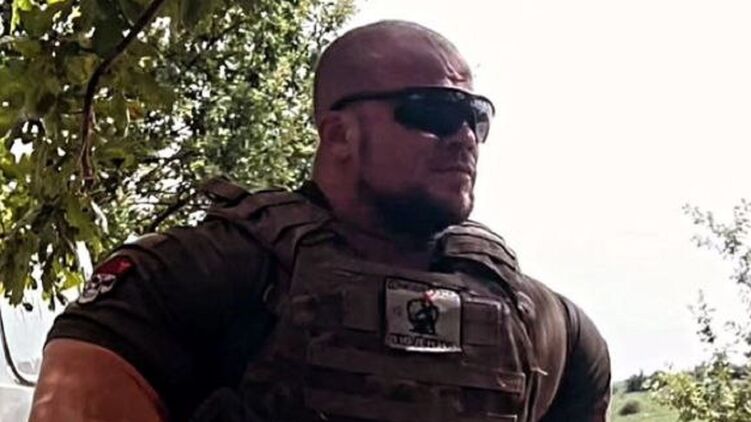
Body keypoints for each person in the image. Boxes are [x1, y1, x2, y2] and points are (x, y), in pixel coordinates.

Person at [29, 20, 611, 422]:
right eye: (433, 112)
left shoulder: (546, 325)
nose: (464, 138)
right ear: (338, 135)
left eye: (476, 118)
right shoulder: (191, 275)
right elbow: (80, 391)